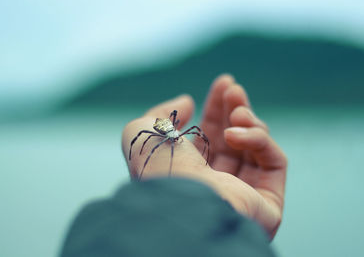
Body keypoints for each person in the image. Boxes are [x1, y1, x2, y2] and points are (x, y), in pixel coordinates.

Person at [61, 74, 287, 257]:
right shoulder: (156, 136)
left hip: (172, 136)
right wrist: (179, 174)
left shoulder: (180, 133)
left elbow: (196, 133)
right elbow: (140, 135)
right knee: (147, 140)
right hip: (162, 131)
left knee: (199, 133)